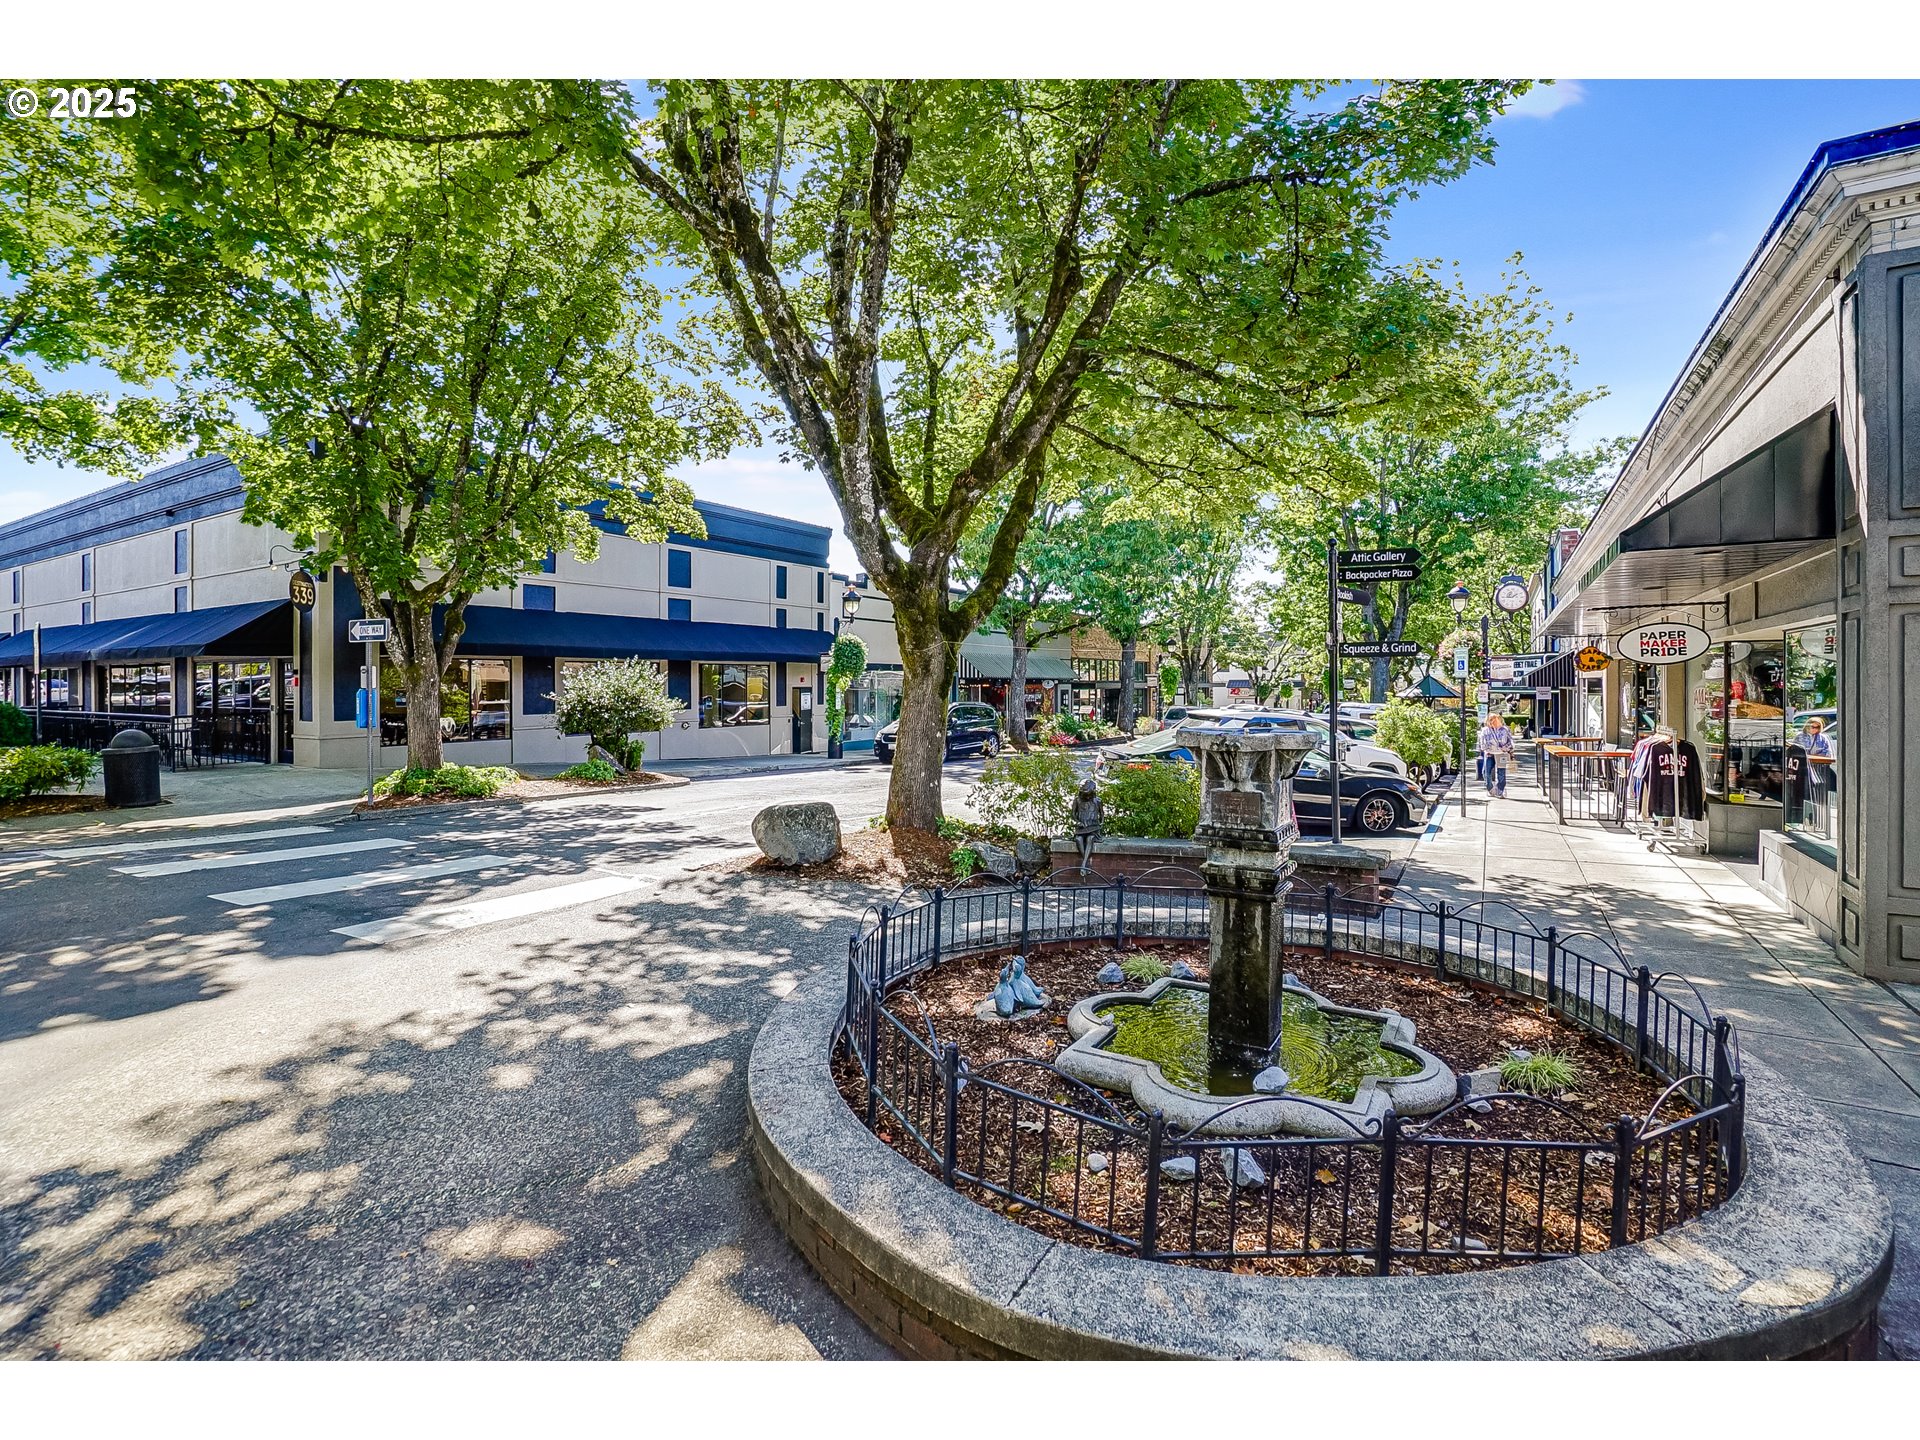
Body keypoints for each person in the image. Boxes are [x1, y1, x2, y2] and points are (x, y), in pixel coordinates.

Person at [1477, 713, 1515, 798]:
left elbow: (1511, 741)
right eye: (1490, 720)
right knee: (1486, 772)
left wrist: (1507, 748)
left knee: (1501, 773)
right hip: (1489, 754)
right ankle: (1490, 789)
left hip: (1502, 754)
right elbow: (1482, 743)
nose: (1492, 722)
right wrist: (1486, 749)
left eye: (1494, 720)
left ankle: (1500, 790)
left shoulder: (1505, 730)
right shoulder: (1485, 730)